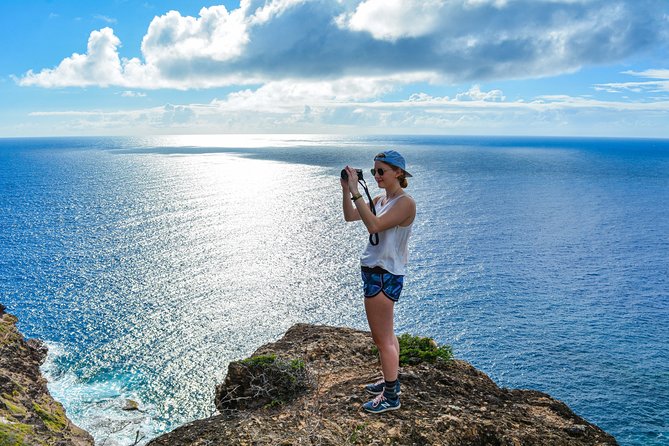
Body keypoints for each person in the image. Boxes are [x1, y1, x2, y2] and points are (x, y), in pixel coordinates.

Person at [341, 150, 416, 414]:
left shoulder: (405, 203)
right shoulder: (381, 199)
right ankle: (389, 378)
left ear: (399, 173)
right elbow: (352, 216)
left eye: (381, 171)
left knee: (381, 338)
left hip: (384, 273)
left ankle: (391, 396)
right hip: (376, 271)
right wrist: (347, 190)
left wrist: (357, 192)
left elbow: (373, 226)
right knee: (387, 334)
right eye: (374, 171)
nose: (377, 176)